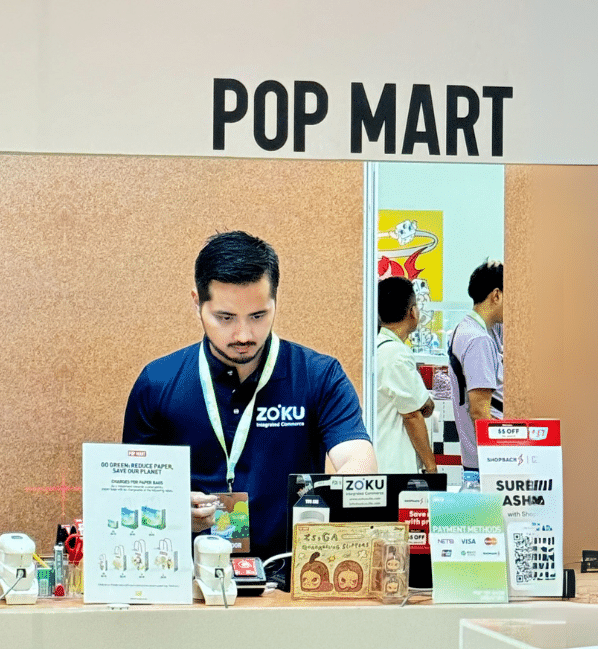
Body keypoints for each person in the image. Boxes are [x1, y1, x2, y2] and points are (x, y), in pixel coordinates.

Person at [122, 231, 376, 560]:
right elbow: (129, 491)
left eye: (258, 316)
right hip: (186, 575)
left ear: (275, 302)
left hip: (286, 578)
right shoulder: (157, 382)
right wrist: (168, 511)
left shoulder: (318, 375)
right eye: (225, 318)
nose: (243, 335)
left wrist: (323, 510)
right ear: (197, 303)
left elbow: (359, 460)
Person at [375, 276, 437, 473]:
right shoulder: (396, 353)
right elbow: (413, 415)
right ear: (412, 312)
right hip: (394, 463)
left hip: (379, 456)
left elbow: (423, 406)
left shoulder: (376, 347)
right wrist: (431, 466)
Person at [448, 260, 504, 474]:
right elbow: (480, 410)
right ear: (496, 295)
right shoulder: (478, 340)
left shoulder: (467, 329)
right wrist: (499, 459)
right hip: (487, 462)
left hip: (478, 457)